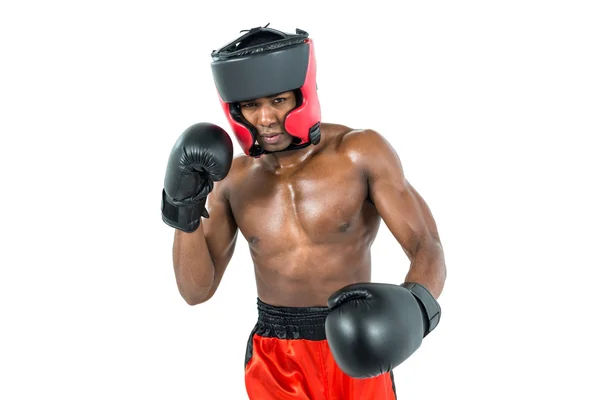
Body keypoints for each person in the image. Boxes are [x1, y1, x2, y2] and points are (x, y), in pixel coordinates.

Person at [161, 25, 447, 400]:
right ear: (235, 110)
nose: (264, 118)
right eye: (251, 105)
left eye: (277, 100)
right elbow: (195, 291)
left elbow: (426, 245)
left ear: (303, 94)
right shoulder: (233, 179)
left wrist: (415, 307)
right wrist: (184, 208)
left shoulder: (359, 153)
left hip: (357, 342)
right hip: (277, 355)